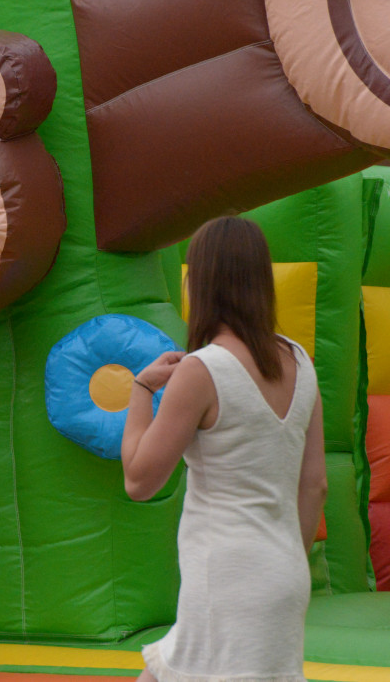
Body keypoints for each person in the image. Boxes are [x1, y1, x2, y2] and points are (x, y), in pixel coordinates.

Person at [121, 216, 328, 681]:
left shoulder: (202, 370)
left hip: (227, 575)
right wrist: (285, 558)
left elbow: (139, 480)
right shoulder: (300, 361)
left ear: (202, 281)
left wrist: (140, 390)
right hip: (284, 571)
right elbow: (314, 485)